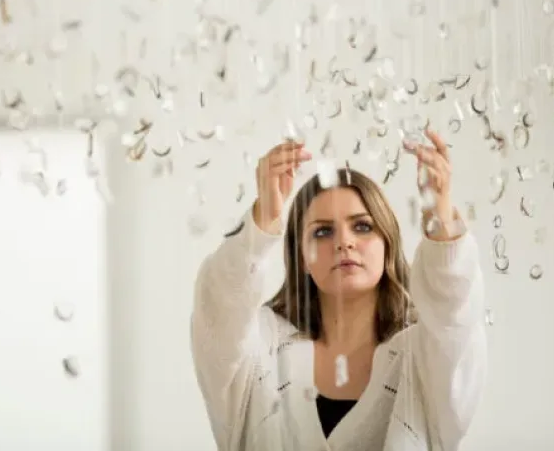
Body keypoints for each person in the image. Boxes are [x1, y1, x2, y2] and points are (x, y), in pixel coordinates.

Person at [191, 129, 487, 451]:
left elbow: (453, 315)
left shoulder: (425, 356)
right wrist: (261, 222)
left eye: (362, 226)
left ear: (387, 245)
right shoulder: (262, 348)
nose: (344, 241)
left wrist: (439, 217)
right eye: (322, 232)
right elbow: (217, 309)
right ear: (302, 258)